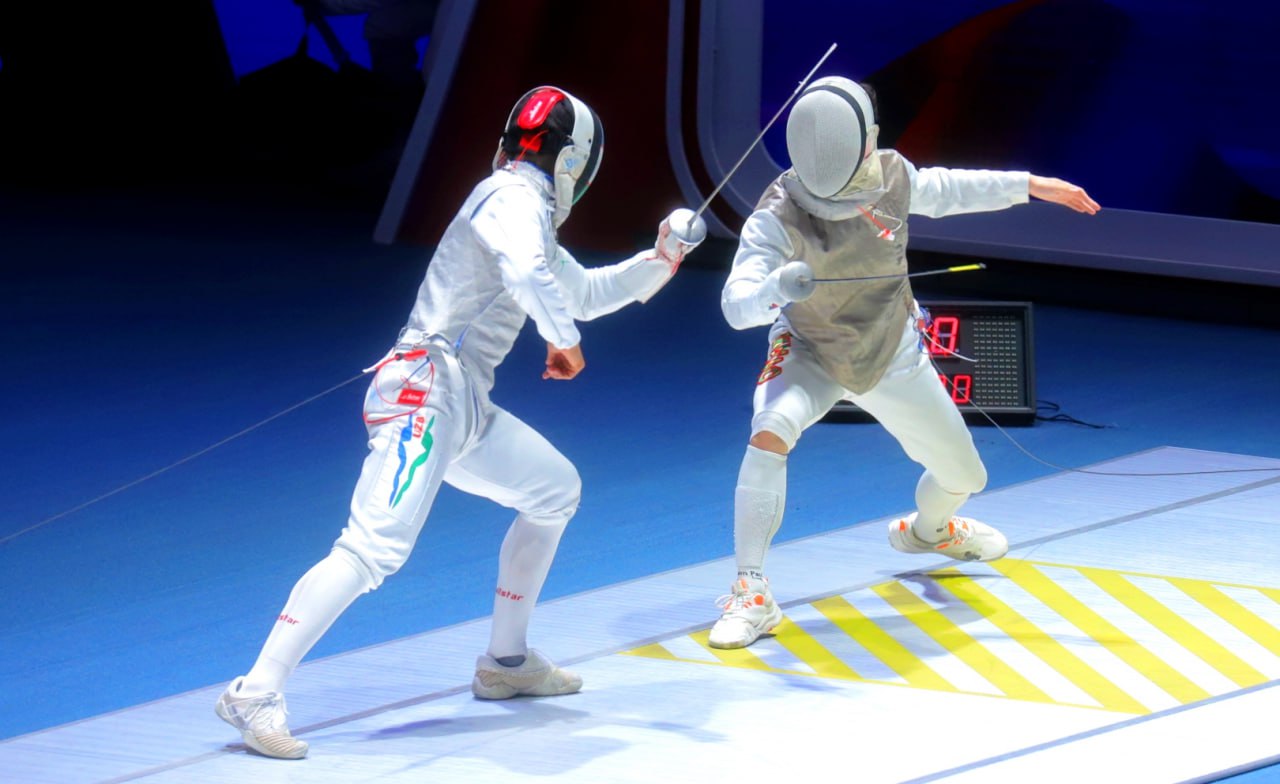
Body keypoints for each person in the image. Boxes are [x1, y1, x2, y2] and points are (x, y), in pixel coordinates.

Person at [215, 85, 706, 758]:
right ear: (574, 163)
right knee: (372, 549)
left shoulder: (524, 214)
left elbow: (583, 293)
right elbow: (530, 276)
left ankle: (506, 662)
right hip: (423, 393)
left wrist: (663, 260)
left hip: (463, 403)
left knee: (554, 491)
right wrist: (561, 340)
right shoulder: (509, 198)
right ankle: (254, 692)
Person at [709, 76, 1099, 649]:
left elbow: (949, 188)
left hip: (892, 352)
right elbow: (735, 305)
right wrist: (775, 288)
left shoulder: (893, 175)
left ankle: (929, 532)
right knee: (770, 428)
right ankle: (751, 591)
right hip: (811, 350)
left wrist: (1030, 185)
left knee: (966, 477)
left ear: (865, 141)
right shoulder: (777, 213)